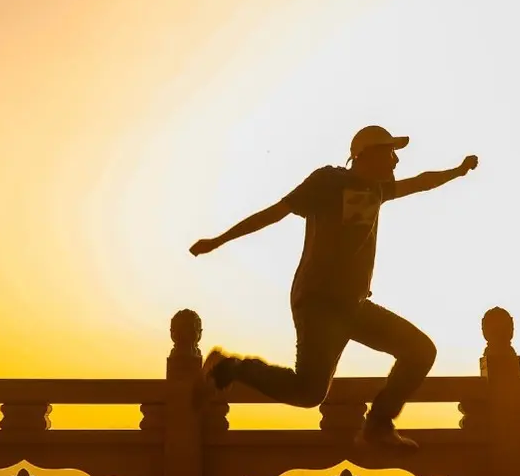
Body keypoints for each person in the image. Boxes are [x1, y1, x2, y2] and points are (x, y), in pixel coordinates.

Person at [189, 125, 478, 452]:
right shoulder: (327, 181)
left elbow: (421, 181)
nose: (396, 161)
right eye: (390, 152)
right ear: (364, 154)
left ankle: (378, 425)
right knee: (310, 393)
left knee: (420, 351)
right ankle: (228, 368)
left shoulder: (378, 190)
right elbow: (275, 213)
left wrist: (457, 171)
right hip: (318, 302)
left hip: (352, 306)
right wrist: (219, 240)